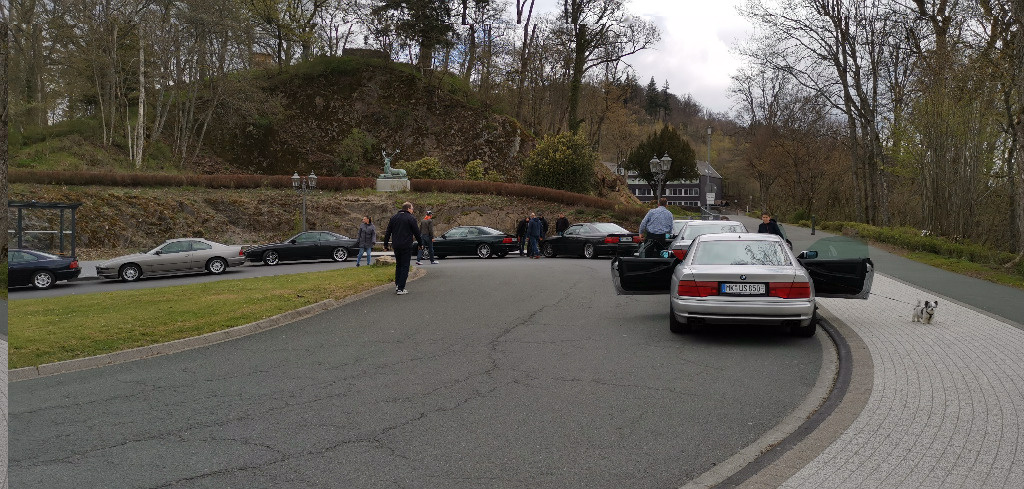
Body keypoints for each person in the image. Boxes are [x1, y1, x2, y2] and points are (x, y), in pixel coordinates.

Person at [383, 202, 422, 295]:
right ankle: (401, 288)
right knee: (405, 266)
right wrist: (421, 244)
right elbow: (417, 232)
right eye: (412, 209)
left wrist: (385, 244)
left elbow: (388, 232)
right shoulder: (411, 218)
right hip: (406, 245)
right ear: (408, 209)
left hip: (396, 245)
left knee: (399, 265)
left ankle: (397, 284)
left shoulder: (394, 218)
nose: (412, 211)